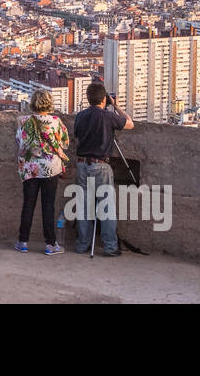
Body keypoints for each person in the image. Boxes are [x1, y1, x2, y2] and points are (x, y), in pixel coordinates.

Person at [71, 82, 134, 257]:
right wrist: (116, 106)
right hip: (101, 166)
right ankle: (110, 246)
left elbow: (76, 139)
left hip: (82, 164)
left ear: (88, 98)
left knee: (83, 207)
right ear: (104, 98)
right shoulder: (108, 116)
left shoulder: (80, 116)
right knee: (106, 208)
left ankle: (82, 244)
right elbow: (130, 124)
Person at [15, 90, 69, 256]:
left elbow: (20, 141)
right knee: (48, 206)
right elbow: (64, 143)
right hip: (50, 168)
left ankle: (23, 242)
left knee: (28, 204)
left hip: (30, 168)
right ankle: (50, 244)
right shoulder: (55, 121)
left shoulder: (24, 121)